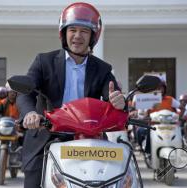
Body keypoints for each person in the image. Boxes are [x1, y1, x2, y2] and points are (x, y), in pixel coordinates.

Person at [16, 2, 125, 188]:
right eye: (72, 29)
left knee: (119, 176)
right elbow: (25, 93)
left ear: (92, 36)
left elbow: (114, 98)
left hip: (88, 137)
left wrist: (120, 102)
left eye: (84, 31)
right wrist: (29, 114)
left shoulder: (102, 69)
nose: (77, 36)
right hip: (47, 133)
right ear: (63, 33)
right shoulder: (44, 61)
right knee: (34, 180)